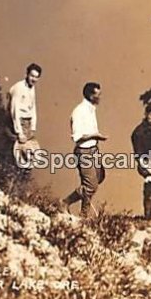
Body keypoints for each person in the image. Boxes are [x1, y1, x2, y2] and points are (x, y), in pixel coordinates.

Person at [63, 82, 108, 218]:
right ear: (90, 95)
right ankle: (65, 202)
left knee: (98, 178)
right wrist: (95, 135)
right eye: (97, 95)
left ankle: (84, 215)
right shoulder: (79, 111)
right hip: (84, 152)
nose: (100, 97)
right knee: (91, 186)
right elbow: (77, 137)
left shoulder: (91, 109)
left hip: (93, 150)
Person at [6, 63, 42, 167]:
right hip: (18, 123)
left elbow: (33, 106)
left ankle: (22, 178)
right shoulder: (18, 88)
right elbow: (14, 111)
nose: (33, 79)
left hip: (27, 123)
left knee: (28, 155)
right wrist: (19, 132)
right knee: (17, 152)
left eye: (36, 77)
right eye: (32, 76)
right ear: (26, 74)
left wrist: (33, 127)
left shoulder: (32, 88)